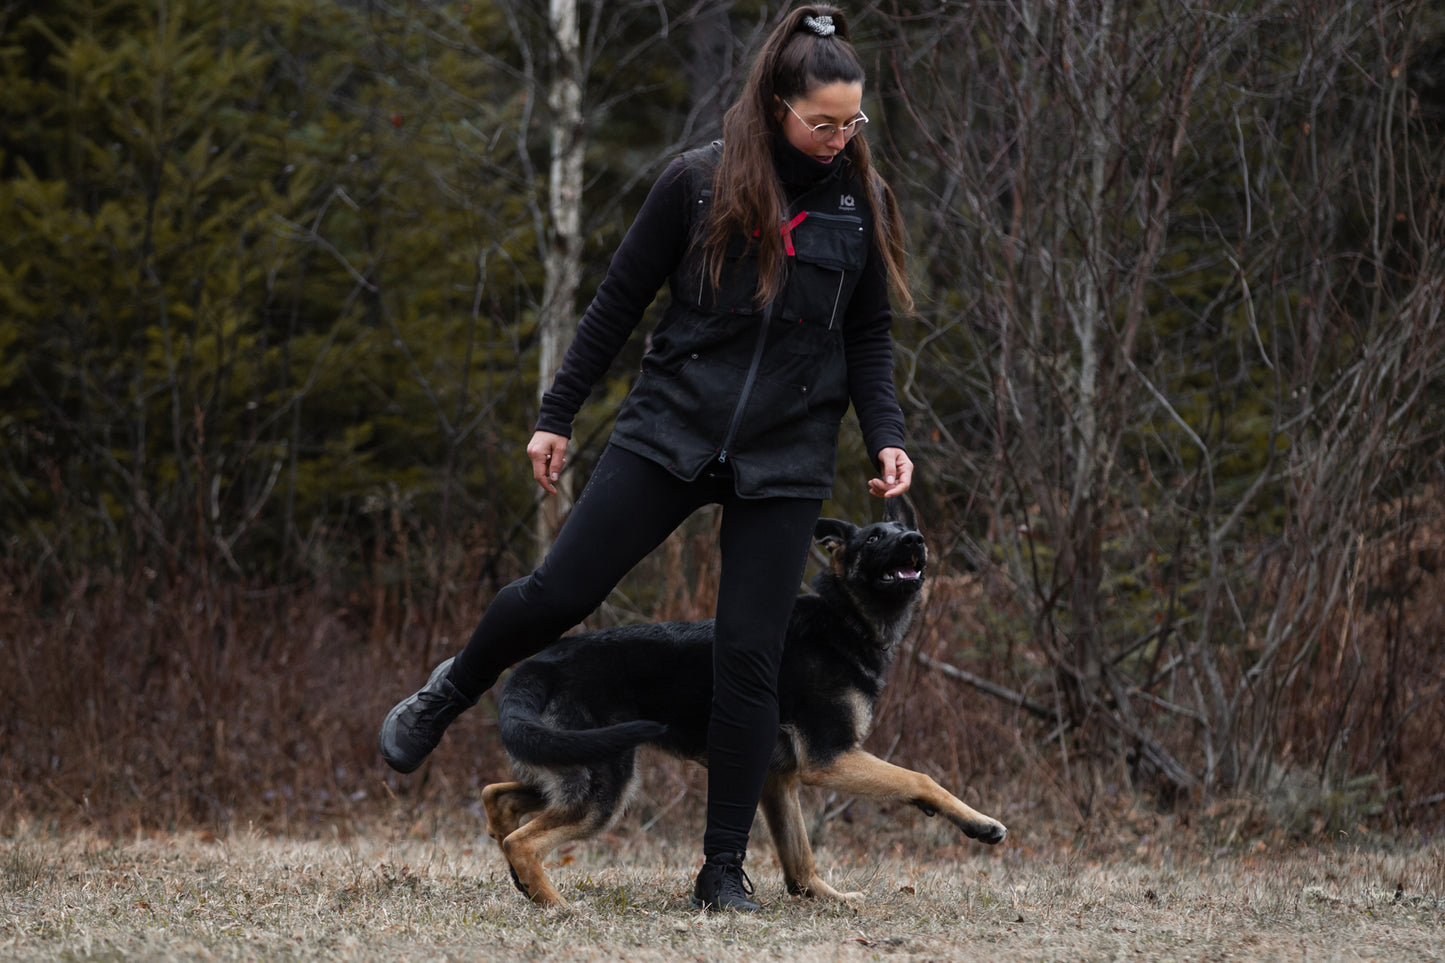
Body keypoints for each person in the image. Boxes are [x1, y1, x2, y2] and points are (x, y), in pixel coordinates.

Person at [379, 4, 914, 912]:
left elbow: (866, 336)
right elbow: (616, 303)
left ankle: (720, 874)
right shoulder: (697, 184)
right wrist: (557, 415)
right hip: (671, 431)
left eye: (849, 122)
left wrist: (887, 431)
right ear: (776, 104)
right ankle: (444, 693)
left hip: (785, 455)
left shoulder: (856, 207)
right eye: (820, 121)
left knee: (750, 656)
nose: (836, 138)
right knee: (559, 594)